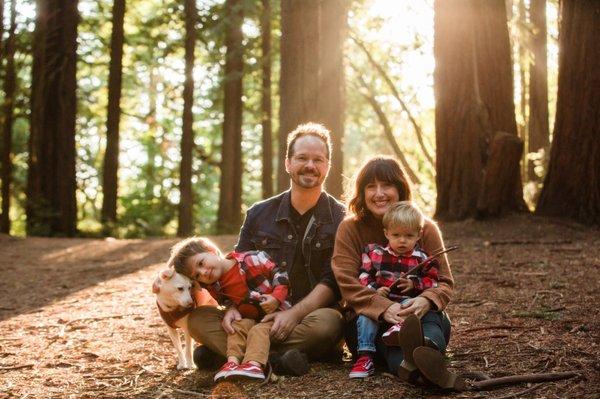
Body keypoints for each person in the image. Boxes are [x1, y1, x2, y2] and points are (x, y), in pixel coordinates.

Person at [187, 123, 346, 376]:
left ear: (327, 165)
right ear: (287, 163)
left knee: (330, 324)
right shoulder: (259, 213)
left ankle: (234, 354)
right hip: (255, 315)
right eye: (302, 158)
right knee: (197, 320)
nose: (310, 166)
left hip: (307, 317)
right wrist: (232, 309)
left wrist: (293, 314)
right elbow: (235, 270)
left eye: (318, 159)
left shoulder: (341, 217)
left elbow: (333, 279)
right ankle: (274, 360)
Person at [332, 156, 463, 390]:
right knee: (392, 344)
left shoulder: (425, 227)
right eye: (371, 186)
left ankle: (425, 352)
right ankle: (425, 368)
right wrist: (384, 308)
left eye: (386, 185)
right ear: (361, 193)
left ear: (400, 189)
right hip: (369, 322)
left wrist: (425, 299)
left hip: (419, 315)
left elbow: (444, 282)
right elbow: (347, 283)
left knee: (431, 323)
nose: (379, 193)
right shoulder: (350, 228)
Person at [168, 237, 290, 381]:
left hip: (277, 314)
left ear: (211, 251)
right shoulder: (215, 286)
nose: (204, 273)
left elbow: (280, 274)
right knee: (235, 329)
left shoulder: (252, 259)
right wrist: (231, 308)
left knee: (258, 331)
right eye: (197, 275)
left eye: (201, 263)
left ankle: (254, 364)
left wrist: (276, 297)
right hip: (249, 319)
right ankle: (233, 363)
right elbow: (228, 301)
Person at [349, 201, 440, 379]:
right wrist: (375, 290)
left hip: (406, 302)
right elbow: (364, 275)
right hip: (379, 304)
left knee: (409, 308)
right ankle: (365, 356)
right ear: (386, 233)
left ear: (419, 235)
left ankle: (401, 331)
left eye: (408, 235)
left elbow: (433, 281)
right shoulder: (376, 253)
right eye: (396, 235)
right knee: (366, 315)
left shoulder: (422, 258)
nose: (402, 240)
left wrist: (414, 285)